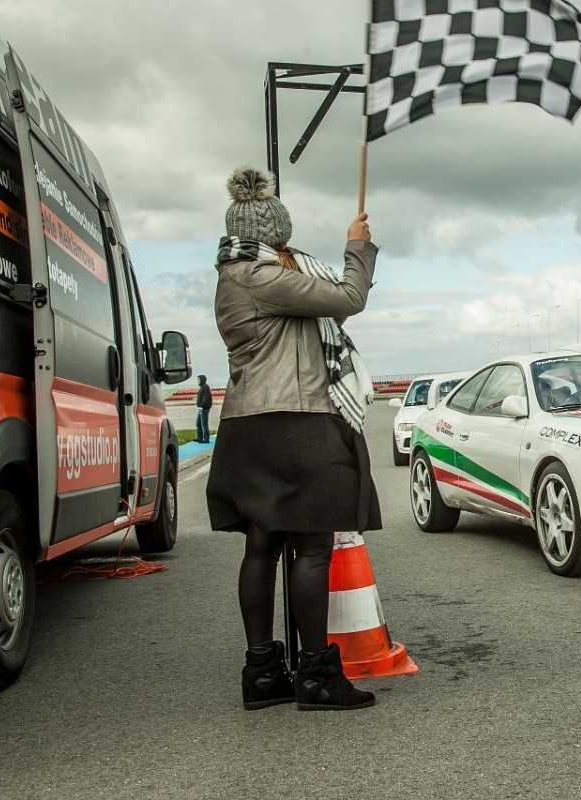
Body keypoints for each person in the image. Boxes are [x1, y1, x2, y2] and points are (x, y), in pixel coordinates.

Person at [206, 166, 381, 712]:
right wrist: (359, 246)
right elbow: (349, 297)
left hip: (247, 424)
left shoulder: (233, 273)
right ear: (272, 232)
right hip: (295, 421)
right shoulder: (261, 276)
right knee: (312, 547)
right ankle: (316, 677)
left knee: (261, 546)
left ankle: (262, 673)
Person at [194, 374, 213, 443]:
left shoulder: (205, 387)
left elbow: (206, 398)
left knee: (204, 424)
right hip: (200, 408)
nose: (197, 381)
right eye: (197, 380)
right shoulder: (202, 387)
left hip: (203, 409)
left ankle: (206, 439)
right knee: (198, 423)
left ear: (202, 380)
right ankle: (200, 437)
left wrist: (202, 406)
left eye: (198, 380)